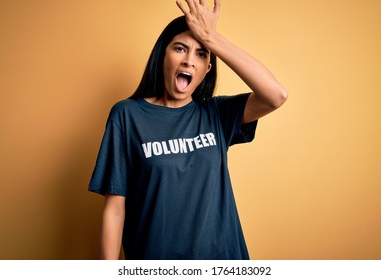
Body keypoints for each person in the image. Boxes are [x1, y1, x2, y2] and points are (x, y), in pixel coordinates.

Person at [89, 0, 287, 260]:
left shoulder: (216, 114)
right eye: (180, 49)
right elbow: (115, 209)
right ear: (162, 55)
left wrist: (212, 38)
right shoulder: (127, 116)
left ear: (207, 69)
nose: (189, 61)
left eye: (201, 54)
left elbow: (276, 95)